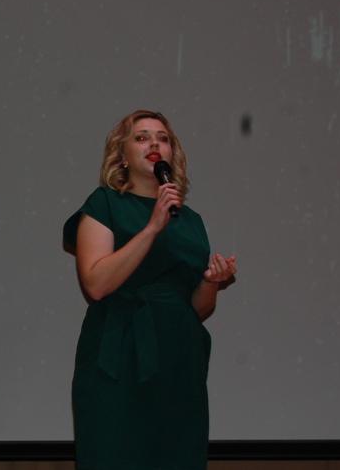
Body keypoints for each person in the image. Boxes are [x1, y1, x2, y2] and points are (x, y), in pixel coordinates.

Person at [63, 109, 237, 469]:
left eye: (163, 139)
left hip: (178, 358)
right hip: (117, 354)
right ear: (122, 156)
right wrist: (152, 228)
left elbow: (198, 309)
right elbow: (96, 284)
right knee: (114, 453)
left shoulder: (190, 221)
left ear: (172, 154)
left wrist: (211, 282)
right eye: (141, 137)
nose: (154, 144)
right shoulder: (104, 204)